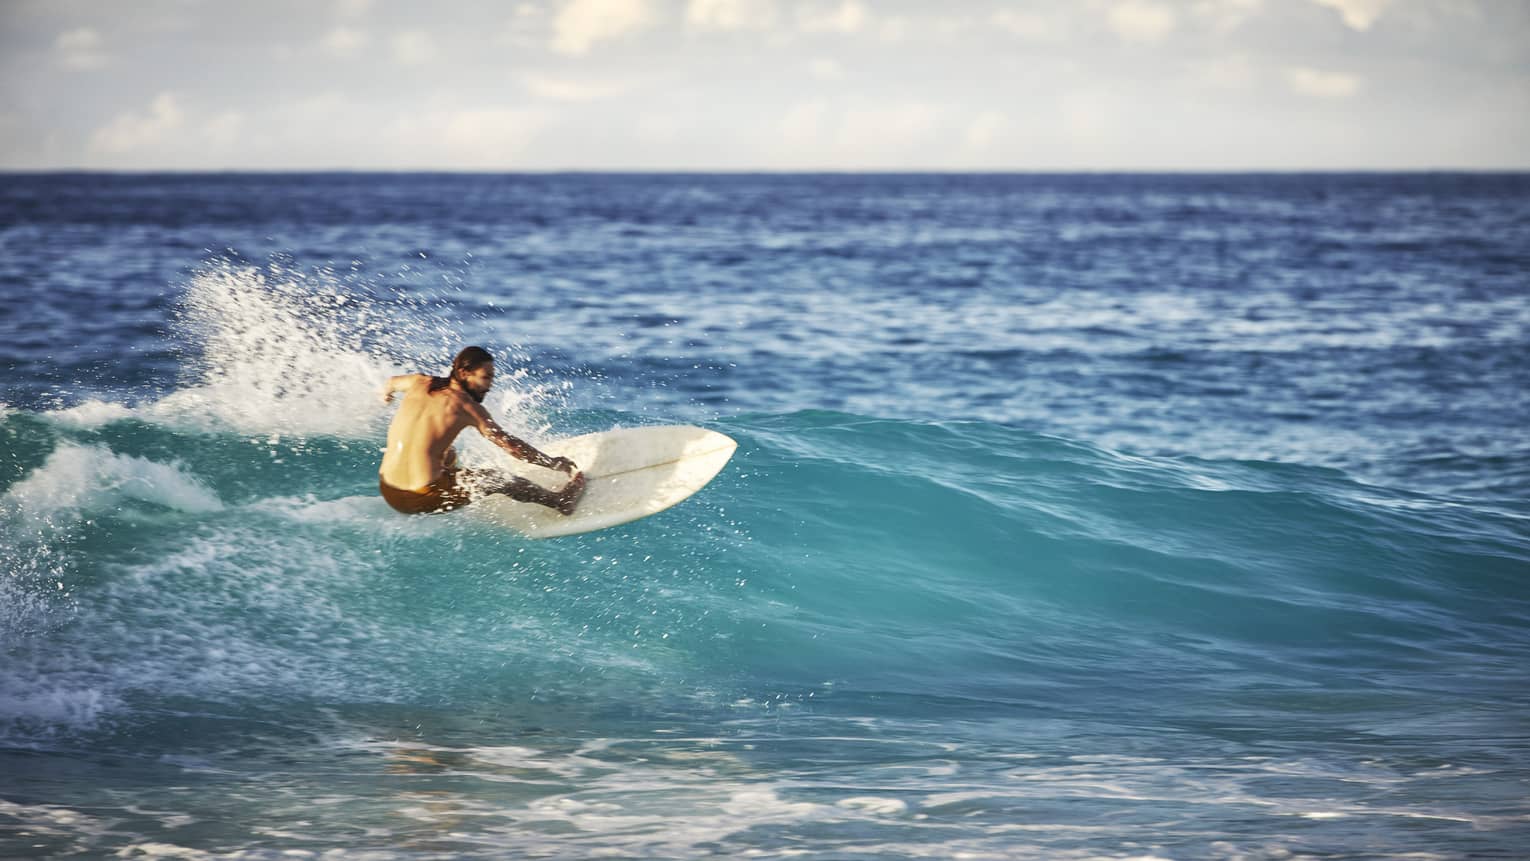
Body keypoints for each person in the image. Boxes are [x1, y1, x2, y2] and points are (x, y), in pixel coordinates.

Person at [377, 346, 585, 515]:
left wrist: (387, 395)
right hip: (422, 497)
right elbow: (513, 448)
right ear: (463, 373)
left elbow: (391, 382)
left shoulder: (419, 382)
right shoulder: (467, 407)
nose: (489, 385)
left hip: (388, 491)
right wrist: (553, 463)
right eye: (485, 378)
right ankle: (560, 502)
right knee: (497, 479)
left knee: (448, 453)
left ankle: (446, 479)